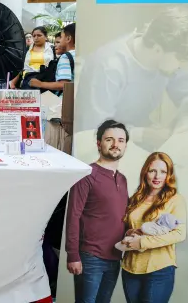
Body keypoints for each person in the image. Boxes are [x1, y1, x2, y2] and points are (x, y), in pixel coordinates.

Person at [75, 7, 188, 150]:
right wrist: (142, 134)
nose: (182, 66)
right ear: (157, 49)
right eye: (179, 60)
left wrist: (180, 126)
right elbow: (94, 130)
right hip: (101, 146)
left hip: (138, 139)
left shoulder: (167, 60)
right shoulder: (108, 67)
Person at [65, 120, 130, 303]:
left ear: (125, 145)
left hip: (115, 257)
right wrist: (73, 255)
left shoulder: (123, 180)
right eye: (109, 139)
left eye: (121, 140)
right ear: (99, 143)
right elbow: (73, 216)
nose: (116, 144)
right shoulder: (87, 174)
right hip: (90, 257)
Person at [119, 152, 186, 303]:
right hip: (130, 269)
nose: (157, 176)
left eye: (163, 172)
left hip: (159, 270)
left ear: (169, 175)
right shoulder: (135, 199)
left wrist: (143, 243)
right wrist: (130, 232)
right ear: (145, 173)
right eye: (152, 171)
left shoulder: (175, 200)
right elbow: (126, 229)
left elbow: (179, 234)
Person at [29, 23, 76, 93]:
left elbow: (63, 84)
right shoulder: (78, 54)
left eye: (62, 37)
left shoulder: (65, 57)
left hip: (64, 100)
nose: (59, 41)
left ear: (68, 38)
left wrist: (40, 84)